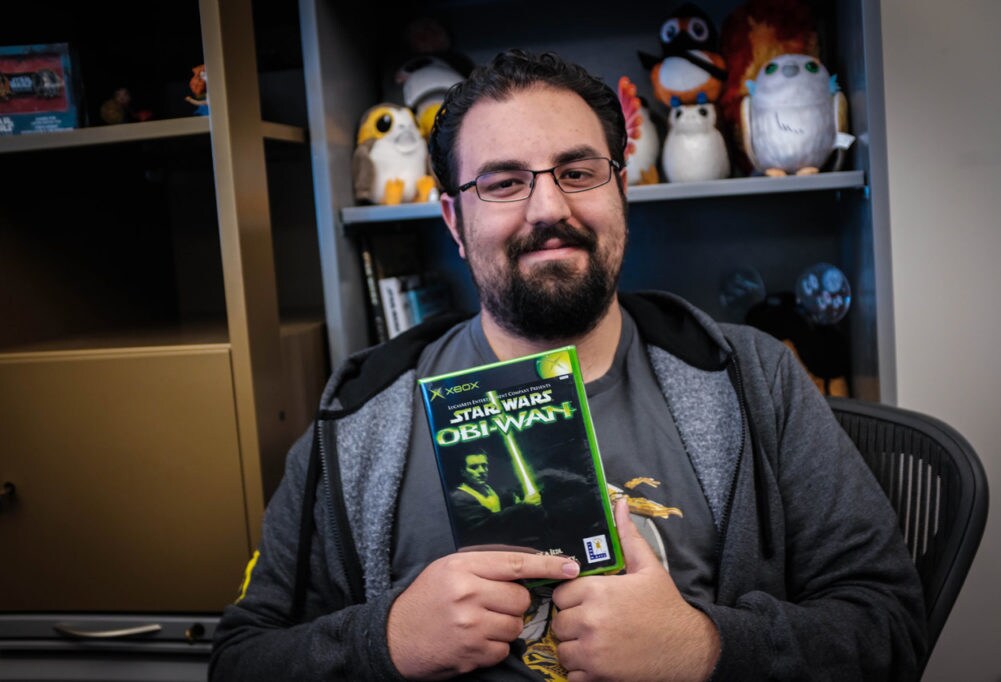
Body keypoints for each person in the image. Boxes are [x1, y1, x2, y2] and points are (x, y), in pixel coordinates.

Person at [210, 49, 926, 680]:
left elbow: (890, 629)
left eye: (579, 171)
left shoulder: (755, 375)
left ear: (623, 190)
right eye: (502, 182)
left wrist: (707, 649)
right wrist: (383, 643)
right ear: (454, 222)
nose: (548, 207)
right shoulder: (360, 416)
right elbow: (240, 660)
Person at [449, 449, 545, 548]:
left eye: (484, 465)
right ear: (463, 472)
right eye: (474, 467)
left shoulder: (493, 490)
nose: (481, 471)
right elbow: (487, 524)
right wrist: (524, 506)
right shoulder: (458, 497)